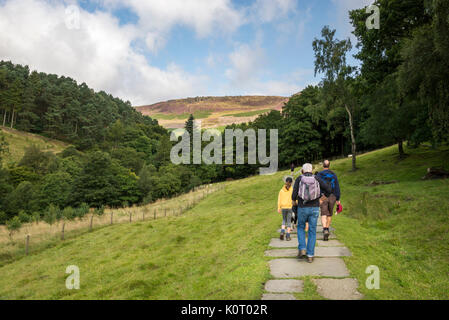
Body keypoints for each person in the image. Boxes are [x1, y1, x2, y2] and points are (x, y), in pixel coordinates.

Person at [292, 163, 331, 263]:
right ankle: (310, 255)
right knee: (312, 231)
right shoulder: (317, 178)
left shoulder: (299, 179)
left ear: (302, 170)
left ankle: (302, 248)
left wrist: (294, 201)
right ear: (311, 170)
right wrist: (321, 199)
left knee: (300, 227)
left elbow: (294, 194)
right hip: (314, 208)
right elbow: (328, 189)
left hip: (302, 208)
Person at [317, 160, 341, 241]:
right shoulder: (333, 174)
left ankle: (324, 229)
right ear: (329, 165)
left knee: (323, 213)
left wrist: (319, 196)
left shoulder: (319, 174)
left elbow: (317, 186)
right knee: (329, 214)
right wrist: (338, 198)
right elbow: (337, 186)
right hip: (333, 196)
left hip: (323, 196)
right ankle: (327, 228)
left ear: (323, 165)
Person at [278, 177, 293, 241]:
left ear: (285, 182)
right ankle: (288, 236)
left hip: (283, 207)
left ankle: (282, 231)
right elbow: (295, 198)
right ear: (291, 183)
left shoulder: (281, 190)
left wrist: (279, 207)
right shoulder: (292, 189)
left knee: (284, 220)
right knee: (289, 221)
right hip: (289, 207)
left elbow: (279, 199)